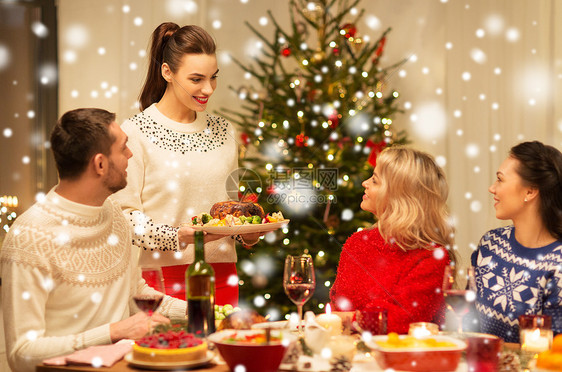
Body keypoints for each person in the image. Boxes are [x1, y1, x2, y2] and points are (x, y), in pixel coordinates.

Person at [0, 108, 186, 372]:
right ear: (100, 164)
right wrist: (113, 332)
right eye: (123, 149)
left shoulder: (114, 215)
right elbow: (22, 355)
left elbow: (136, 296)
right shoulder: (29, 237)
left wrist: (201, 310)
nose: (130, 155)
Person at [113, 23, 257, 306]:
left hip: (223, 275)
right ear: (167, 72)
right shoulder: (135, 132)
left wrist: (248, 235)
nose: (208, 89)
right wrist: (178, 236)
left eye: (213, 77)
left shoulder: (224, 131)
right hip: (159, 279)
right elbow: (125, 218)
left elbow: (227, 211)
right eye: (196, 79)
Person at [330, 146, 454, 334]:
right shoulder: (356, 243)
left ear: (399, 196)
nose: (365, 183)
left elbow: (403, 320)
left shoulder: (431, 256)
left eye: (375, 180)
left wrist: (349, 319)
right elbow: (336, 309)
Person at [471, 141, 562, 342]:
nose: (492, 188)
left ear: (530, 191)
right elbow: (469, 324)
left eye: (500, 180)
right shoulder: (490, 245)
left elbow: (554, 351)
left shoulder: (558, 265)